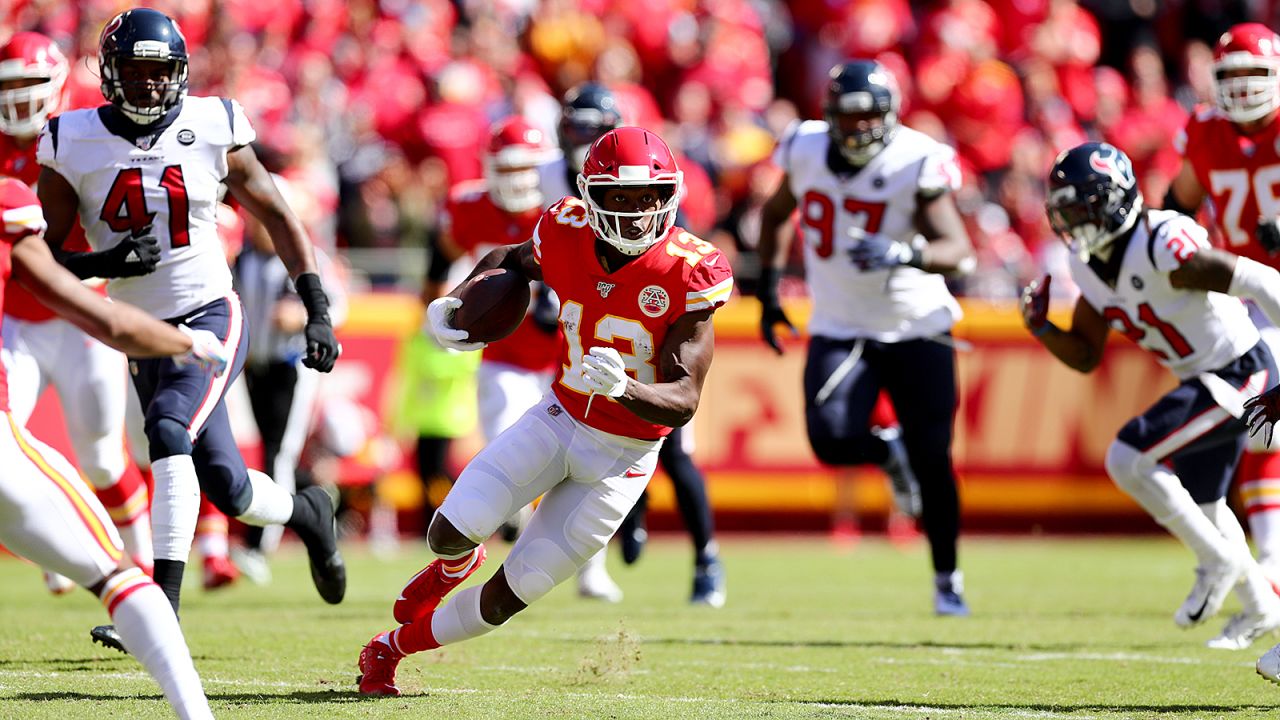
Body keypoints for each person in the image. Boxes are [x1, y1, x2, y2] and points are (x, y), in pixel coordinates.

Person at [355, 126, 734, 697]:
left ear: (671, 194)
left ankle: (390, 648)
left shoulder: (690, 270)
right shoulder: (564, 227)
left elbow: (684, 399)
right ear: (590, 195)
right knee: (446, 534)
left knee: (510, 594)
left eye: (650, 196)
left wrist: (626, 388)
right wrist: (460, 304)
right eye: (620, 197)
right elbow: (509, 260)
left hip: (623, 460)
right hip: (557, 419)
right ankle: (457, 563)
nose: (636, 213)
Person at [34, 8, 345, 652]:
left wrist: (314, 303)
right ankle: (310, 514)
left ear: (180, 73)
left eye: (160, 71)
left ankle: (159, 614)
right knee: (226, 484)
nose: (149, 85)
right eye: (135, 71)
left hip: (209, 313)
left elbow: (278, 214)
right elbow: (51, 254)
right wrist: (106, 262)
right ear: (109, 73)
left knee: (168, 431)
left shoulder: (213, 122)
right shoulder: (70, 138)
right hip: (137, 327)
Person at [1025, 141, 1280, 649]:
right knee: (1205, 504)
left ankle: (1216, 561)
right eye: (1065, 212)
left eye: (1081, 209)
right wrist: (1043, 330)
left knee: (1128, 456)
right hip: (1203, 378)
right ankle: (1261, 609)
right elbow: (1086, 354)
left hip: (1241, 370)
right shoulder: (1088, 265)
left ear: (1114, 200)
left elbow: (1264, 280)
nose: (1073, 223)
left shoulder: (1162, 241)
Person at [0, 173, 223, 719]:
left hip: (53, 338)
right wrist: (188, 341)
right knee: (119, 576)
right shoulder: (10, 198)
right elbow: (102, 315)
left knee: (100, 455)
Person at [756, 59, 973, 616]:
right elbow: (777, 212)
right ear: (828, 117)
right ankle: (886, 449)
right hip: (842, 323)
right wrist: (771, 288)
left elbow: (958, 247)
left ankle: (947, 577)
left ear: (889, 116)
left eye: (867, 118)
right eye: (845, 119)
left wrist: (908, 252)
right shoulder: (804, 149)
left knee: (934, 461)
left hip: (916, 326)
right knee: (829, 438)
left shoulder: (913, 159)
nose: (856, 129)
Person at [542, 82, 728, 606]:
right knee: (576, 433)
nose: (586, 138)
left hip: (648, 341)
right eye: (577, 128)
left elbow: (671, 251)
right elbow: (535, 247)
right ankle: (608, 538)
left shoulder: (650, 193)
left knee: (678, 453)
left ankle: (706, 557)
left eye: (595, 129)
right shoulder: (548, 183)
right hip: (580, 334)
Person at [0, 31, 154, 594]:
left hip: (82, 314)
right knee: (6, 440)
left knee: (102, 459)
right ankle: (60, 543)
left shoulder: (91, 133)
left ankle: (150, 569)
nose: (17, 98)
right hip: (13, 317)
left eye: (28, 83)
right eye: (8, 86)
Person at [1164, 22, 1280, 587]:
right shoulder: (1205, 130)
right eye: (1231, 75)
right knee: (1244, 420)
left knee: (1262, 414)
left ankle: (1271, 558)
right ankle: (1262, 560)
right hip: (1235, 296)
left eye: (1255, 73)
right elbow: (1178, 205)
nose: (1242, 86)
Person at [231, 174, 349, 585]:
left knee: (279, 453)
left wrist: (301, 317)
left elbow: (340, 305)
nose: (256, 225)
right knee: (269, 451)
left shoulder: (306, 256)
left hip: (291, 364)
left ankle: (258, 546)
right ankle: (316, 505)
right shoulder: (240, 258)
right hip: (254, 366)